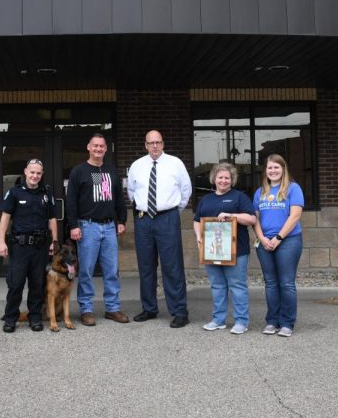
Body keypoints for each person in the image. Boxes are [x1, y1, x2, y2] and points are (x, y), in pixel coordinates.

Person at [127, 130, 192, 328]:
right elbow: (131, 193)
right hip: (143, 220)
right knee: (146, 267)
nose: (154, 146)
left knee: (172, 266)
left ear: (163, 144)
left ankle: (179, 311)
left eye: (158, 142)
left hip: (167, 218)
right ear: (145, 145)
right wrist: (146, 210)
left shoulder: (175, 163)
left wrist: (170, 211)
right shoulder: (137, 166)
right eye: (151, 143)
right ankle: (149, 308)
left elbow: (185, 191)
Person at [66, 133, 129, 326]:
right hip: (88, 227)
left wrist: (121, 220)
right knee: (86, 270)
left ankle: (113, 308)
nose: (98, 149)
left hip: (109, 226)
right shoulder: (78, 171)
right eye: (95, 146)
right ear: (88, 147)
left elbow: (119, 198)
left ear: (105, 149)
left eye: (101, 146)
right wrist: (74, 226)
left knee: (111, 270)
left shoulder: (111, 171)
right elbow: (71, 202)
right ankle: (86, 309)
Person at [193, 162, 256, 334]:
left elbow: (252, 219)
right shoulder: (206, 200)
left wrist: (231, 215)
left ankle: (241, 322)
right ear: (214, 179)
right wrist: (199, 237)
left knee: (237, 286)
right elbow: (197, 220)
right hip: (212, 250)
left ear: (232, 179)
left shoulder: (239, 197)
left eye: (227, 177)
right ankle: (218, 320)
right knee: (217, 286)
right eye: (220, 177)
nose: (223, 180)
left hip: (237, 251)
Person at [0, 158, 59, 333]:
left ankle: (35, 317)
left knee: (37, 284)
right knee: (16, 283)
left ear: (42, 175)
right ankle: (10, 318)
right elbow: (5, 218)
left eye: (38, 173)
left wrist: (54, 242)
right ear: (25, 172)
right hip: (20, 246)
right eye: (32, 172)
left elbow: (52, 219)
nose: (35, 176)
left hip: (40, 246)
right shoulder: (15, 192)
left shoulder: (46, 194)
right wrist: (1, 241)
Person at [253, 154, 304, 338]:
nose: (273, 171)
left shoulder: (293, 188)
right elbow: (255, 219)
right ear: (265, 171)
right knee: (271, 283)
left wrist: (279, 237)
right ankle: (272, 321)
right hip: (265, 242)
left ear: (283, 169)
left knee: (286, 283)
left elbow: (295, 216)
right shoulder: (260, 192)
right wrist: (262, 238)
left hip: (288, 241)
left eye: (276, 167)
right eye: (269, 168)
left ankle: (287, 323)